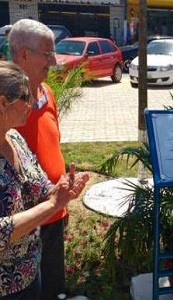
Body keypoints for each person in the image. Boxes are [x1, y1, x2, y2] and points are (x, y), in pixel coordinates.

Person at [0, 61, 89, 299]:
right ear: (2, 102)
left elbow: (39, 186)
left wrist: (60, 191)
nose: (30, 104)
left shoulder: (14, 137)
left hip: (30, 273)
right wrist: (51, 205)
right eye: (24, 97)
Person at [9, 19, 72, 300]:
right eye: (47, 53)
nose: (54, 61)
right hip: (24, 224)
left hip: (54, 212)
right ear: (23, 54)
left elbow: (52, 142)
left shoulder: (47, 93)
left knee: (54, 289)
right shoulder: (7, 102)